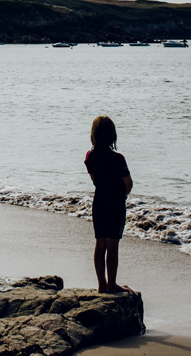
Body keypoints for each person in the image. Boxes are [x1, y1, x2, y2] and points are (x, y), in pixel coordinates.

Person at [85, 114, 132, 293]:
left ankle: (101, 285)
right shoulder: (118, 159)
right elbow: (128, 183)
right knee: (112, 245)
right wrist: (122, 195)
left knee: (100, 243)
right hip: (116, 204)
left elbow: (95, 180)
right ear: (113, 136)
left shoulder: (90, 156)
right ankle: (111, 283)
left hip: (99, 202)